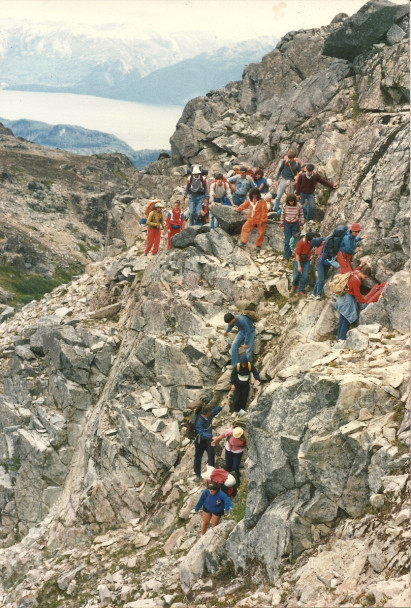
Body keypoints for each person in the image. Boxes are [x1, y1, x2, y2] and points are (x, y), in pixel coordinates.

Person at [335, 265, 371, 342]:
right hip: (348, 299)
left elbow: (355, 269)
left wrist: (360, 265)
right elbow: (357, 294)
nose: (366, 278)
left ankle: (339, 337)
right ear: (362, 273)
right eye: (365, 277)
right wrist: (365, 302)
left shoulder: (356, 272)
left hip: (342, 297)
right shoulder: (356, 281)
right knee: (347, 318)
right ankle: (342, 338)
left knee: (342, 317)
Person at [193, 402, 225, 481]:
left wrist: (221, 406)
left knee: (211, 455)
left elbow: (214, 411)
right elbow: (201, 433)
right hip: (200, 441)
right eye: (210, 411)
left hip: (208, 441)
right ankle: (197, 474)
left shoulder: (208, 415)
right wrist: (212, 436)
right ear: (207, 412)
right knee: (198, 458)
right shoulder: (198, 421)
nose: (212, 412)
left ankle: (211, 474)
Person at [236, 187, 268, 252]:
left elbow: (264, 211)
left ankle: (258, 246)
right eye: (253, 194)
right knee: (244, 228)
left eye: (255, 194)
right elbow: (244, 205)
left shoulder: (262, 201)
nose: (254, 196)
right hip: (251, 219)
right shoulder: (249, 200)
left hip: (259, 220)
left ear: (258, 194)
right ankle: (243, 242)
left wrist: (262, 220)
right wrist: (238, 209)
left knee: (261, 232)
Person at [291, 231, 319, 296]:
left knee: (304, 275)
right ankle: (293, 285)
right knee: (296, 275)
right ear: (307, 239)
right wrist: (299, 266)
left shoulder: (312, 240)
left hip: (307, 260)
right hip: (299, 260)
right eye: (310, 242)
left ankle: (300, 290)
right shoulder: (301, 243)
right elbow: (297, 254)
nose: (310, 243)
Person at [280, 193, 305, 260]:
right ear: (288, 201)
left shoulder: (298, 205)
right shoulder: (285, 205)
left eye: (292, 201)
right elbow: (282, 215)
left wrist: (302, 224)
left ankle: (292, 253)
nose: (291, 203)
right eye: (290, 201)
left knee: (295, 239)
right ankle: (286, 256)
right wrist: (282, 225)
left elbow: (301, 215)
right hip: (287, 224)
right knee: (287, 240)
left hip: (295, 224)